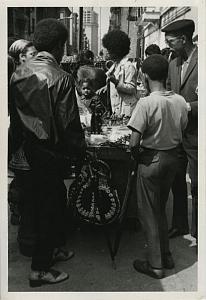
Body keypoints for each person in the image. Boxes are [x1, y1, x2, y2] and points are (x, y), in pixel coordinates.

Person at [9, 18, 86, 286]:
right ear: (59, 46)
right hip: (50, 154)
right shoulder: (61, 78)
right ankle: (39, 270)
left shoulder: (17, 73)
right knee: (49, 208)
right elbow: (68, 125)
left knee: (44, 204)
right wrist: (80, 152)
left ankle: (52, 250)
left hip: (25, 152)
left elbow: (15, 119)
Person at [128, 54, 188, 279]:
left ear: (144, 76)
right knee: (160, 208)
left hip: (151, 160)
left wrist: (137, 156)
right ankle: (166, 255)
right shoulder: (180, 101)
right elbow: (182, 127)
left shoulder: (146, 102)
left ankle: (155, 265)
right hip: (173, 158)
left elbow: (134, 140)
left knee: (148, 213)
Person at [162, 20, 198, 241]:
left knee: (197, 184)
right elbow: (167, 90)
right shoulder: (173, 62)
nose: (168, 45)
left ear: (183, 39)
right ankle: (180, 224)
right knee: (177, 182)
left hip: (196, 135)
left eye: (171, 41)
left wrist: (187, 106)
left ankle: (198, 230)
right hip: (177, 135)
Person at [8, 40, 37, 226]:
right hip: (22, 140)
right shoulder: (21, 77)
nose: (37, 58)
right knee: (25, 182)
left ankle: (20, 213)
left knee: (22, 181)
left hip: (21, 137)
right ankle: (21, 215)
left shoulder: (22, 75)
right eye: (33, 55)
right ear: (22, 57)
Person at [99, 30, 137, 117]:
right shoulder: (114, 66)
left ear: (116, 50)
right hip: (116, 109)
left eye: (109, 49)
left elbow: (131, 88)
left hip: (126, 110)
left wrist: (115, 82)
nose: (107, 52)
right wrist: (106, 87)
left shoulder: (128, 66)